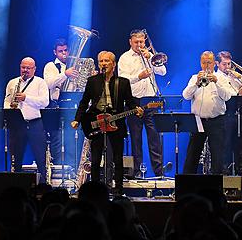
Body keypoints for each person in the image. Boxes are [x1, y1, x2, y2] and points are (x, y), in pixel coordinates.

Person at [72, 51, 143, 194]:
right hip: (96, 121)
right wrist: (77, 119)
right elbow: (84, 102)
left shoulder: (122, 82)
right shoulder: (93, 81)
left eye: (106, 61)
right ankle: (95, 190)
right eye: (101, 61)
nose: (103, 64)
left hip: (116, 122)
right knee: (96, 158)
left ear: (113, 64)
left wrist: (137, 109)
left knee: (117, 158)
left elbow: (129, 101)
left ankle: (118, 189)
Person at [117, 29, 166, 178]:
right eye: (136, 42)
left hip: (151, 100)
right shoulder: (125, 58)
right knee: (136, 138)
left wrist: (150, 57)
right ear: (130, 42)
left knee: (155, 137)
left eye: (142, 41)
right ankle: (137, 172)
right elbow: (122, 79)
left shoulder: (149, 55)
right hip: (134, 101)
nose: (139, 44)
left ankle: (158, 172)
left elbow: (162, 72)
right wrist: (139, 76)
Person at [182, 51, 234, 174]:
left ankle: (216, 188)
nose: (206, 65)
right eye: (204, 62)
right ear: (200, 63)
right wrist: (196, 84)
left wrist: (217, 82)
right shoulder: (194, 78)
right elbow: (185, 96)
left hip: (216, 121)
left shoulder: (221, 78)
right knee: (192, 155)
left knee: (217, 156)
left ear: (214, 64)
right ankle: (186, 185)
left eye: (209, 62)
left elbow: (227, 96)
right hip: (198, 121)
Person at [4, 57, 50, 181]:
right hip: (17, 124)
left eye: (28, 68)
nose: (25, 70)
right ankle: (14, 184)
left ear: (34, 69)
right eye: (23, 67)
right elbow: (7, 101)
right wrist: (9, 109)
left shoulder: (40, 82)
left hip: (35, 123)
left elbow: (45, 102)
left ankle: (44, 185)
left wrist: (26, 98)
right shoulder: (12, 82)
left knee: (40, 158)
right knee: (16, 158)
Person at [214, 51, 242, 176]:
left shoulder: (233, 76)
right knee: (225, 145)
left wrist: (240, 77)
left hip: (238, 112)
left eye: (229, 64)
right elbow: (225, 93)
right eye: (224, 64)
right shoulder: (217, 77)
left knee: (241, 145)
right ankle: (224, 174)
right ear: (217, 64)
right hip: (225, 112)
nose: (228, 67)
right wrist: (238, 93)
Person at [42, 38, 77, 165]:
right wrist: (65, 74)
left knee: (72, 138)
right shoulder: (50, 66)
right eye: (60, 51)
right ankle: (56, 167)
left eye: (66, 50)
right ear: (55, 52)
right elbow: (48, 84)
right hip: (56, 105)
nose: (64, 53)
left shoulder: (74, 66)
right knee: (56, 139)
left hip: (72, 105)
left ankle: (72, 167)